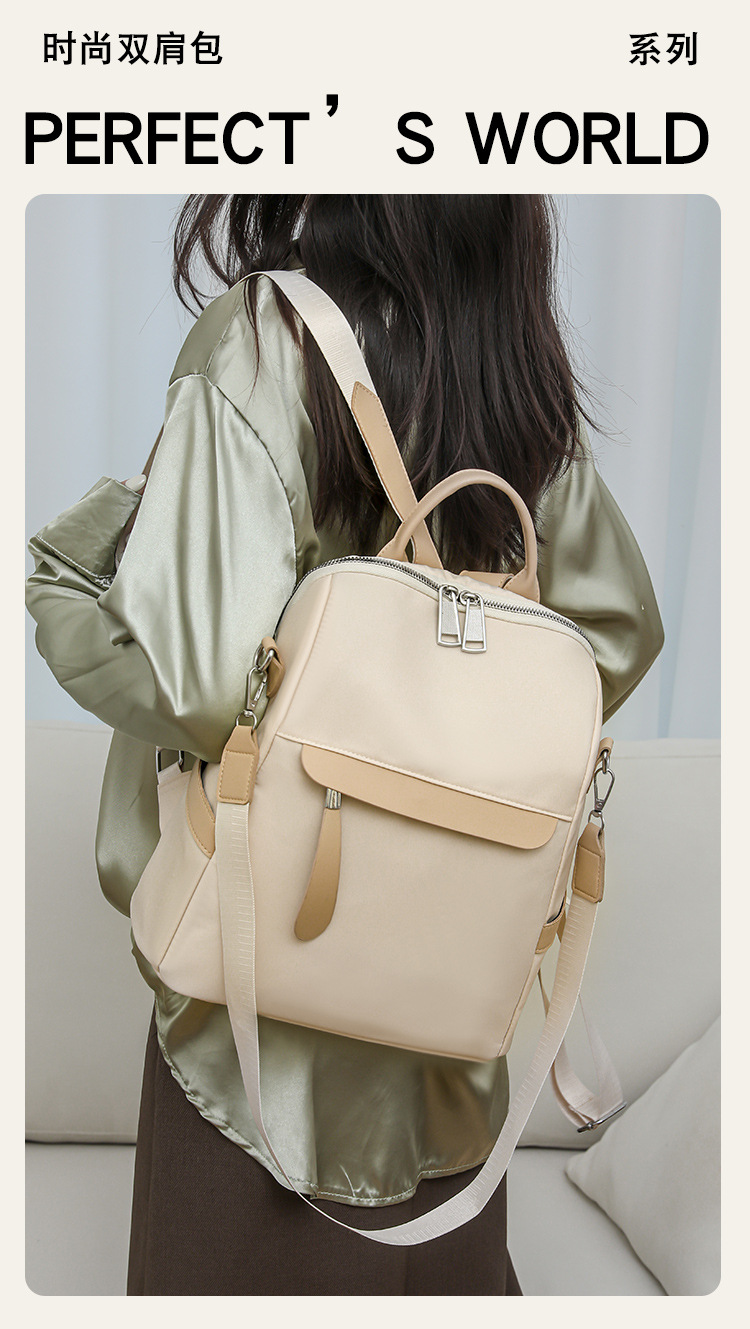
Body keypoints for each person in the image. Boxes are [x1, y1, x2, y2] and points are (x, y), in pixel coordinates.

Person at [26, 194, 664, 1296]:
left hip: (254, 1038)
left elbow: (193, 678)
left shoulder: (266, 339)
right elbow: (615, 632)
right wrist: (444, 739)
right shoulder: (509, 370)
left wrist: (69, 580)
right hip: (452, 1040)